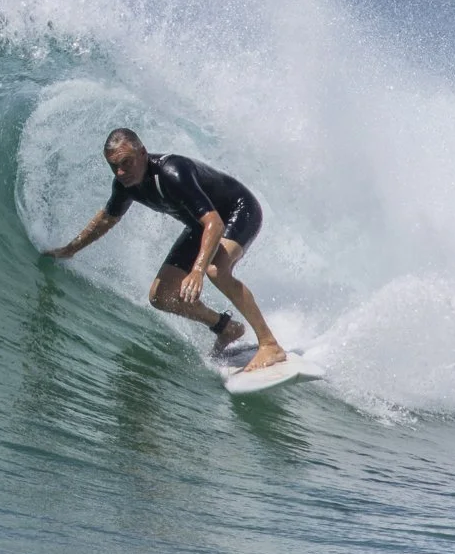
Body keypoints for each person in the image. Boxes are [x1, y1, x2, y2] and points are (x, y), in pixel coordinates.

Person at [44, 128, 286, 372]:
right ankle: (227, 328)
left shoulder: (173, 173)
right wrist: (70, 249)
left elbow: (214, 223)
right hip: (200, 225)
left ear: (143, 153)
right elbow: (107, 218)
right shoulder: (124, 184)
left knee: (216, 270)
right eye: (114, 166)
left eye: (126, 163)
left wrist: (197, 271)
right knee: (161, 297)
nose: (121, 172)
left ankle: (269, 344)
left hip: (238, 211)